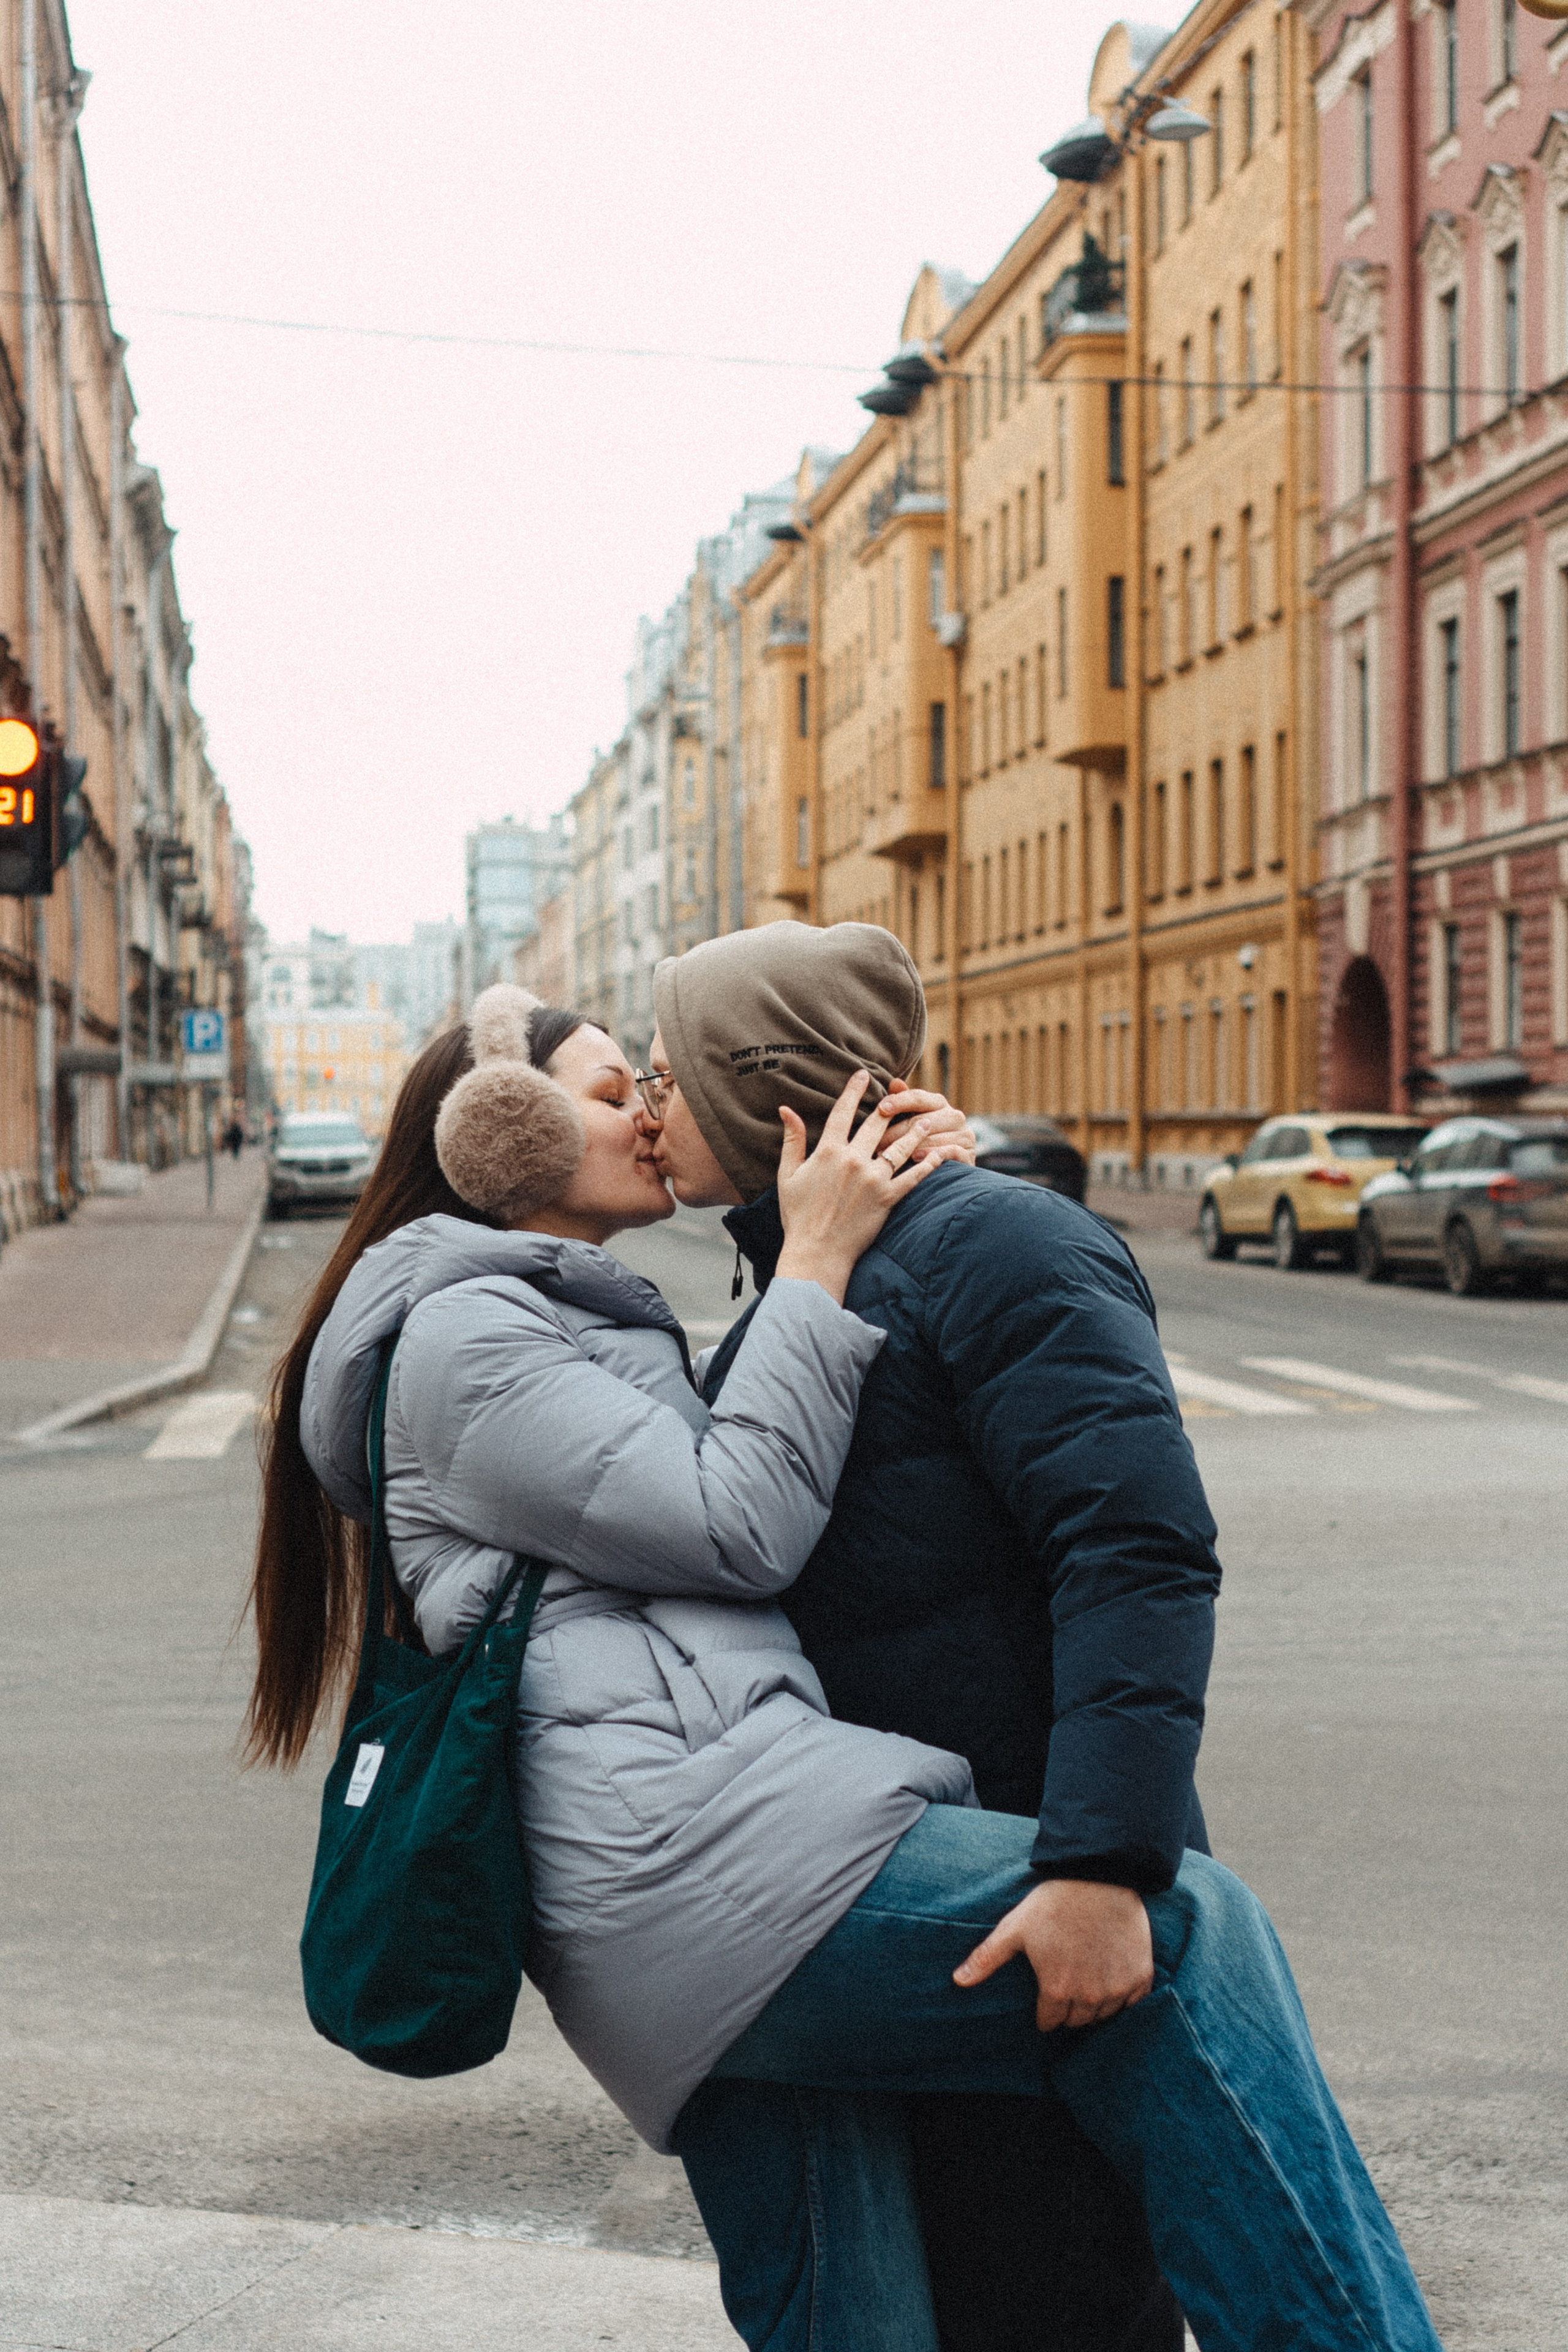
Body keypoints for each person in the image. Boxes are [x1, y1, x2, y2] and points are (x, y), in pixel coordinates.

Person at [247, 979, 1443, 2352]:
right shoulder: (469, 1338)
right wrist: (817, 1254)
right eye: (607, 1088)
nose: (643, 1112)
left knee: (857, 2323)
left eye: (658, 1081)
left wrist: (898, 1181)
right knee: (1180, 1950)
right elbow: (739, 1519)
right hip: (695, 1871)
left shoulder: (565, 1315)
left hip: (712, 1866)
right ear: (495, 1135)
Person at [642, 920, 1204, 2349]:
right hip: (890, 1893)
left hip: (1025, 1882)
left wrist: (1099, 1865)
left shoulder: (999, 1243)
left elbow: (1131, 1555)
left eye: (665, 1075)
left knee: (1059, 2296)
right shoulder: (806, 1276)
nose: (646, 1109)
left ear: (752, 1087)